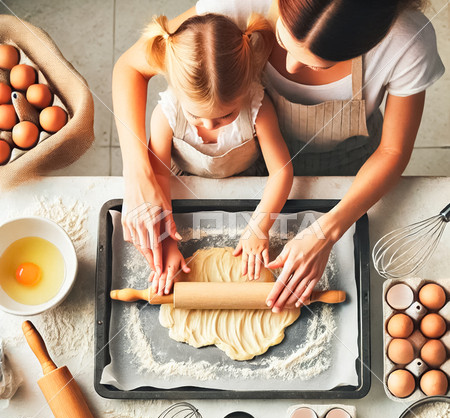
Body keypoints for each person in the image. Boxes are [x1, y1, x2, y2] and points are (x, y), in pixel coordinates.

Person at [112, 0, 444, 310]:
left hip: (349, 171)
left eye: (317, 61)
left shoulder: (406, 40)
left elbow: (393, 151)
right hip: (253, 164)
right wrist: (139, 176)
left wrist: (326, 231)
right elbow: (130, 67)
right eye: (284, 42)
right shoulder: (237, 5)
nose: (291, 65)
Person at [125, 13, 293, 295]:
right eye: (196, 116)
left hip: (246, 179)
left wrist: (259, 226)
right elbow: (158, 177)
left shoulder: (258, 108)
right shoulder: (165, 116)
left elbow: (281, 171)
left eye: (226, 115)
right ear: (179, 94)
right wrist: (167, 242)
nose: (210, 126)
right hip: (184, 183)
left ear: (244, 89)